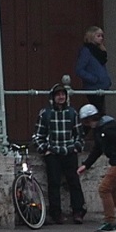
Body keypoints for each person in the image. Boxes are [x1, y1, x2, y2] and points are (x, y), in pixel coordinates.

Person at [76, 103, 116, 232]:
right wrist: (86, 165)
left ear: (93, 118)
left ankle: (110, 222)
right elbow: (97, 149)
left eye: (88, 121)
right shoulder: (99, 129)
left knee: (104, 189)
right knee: (113, 192)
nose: (88, 124)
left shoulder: (109, 127)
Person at [31, 82, 86, 224]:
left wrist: (76, 147)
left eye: (63, 95)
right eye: (58, 95)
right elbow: (37, 135)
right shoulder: (45, 114)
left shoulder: (72, 113)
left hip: (69, 151)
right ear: (53, 97)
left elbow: (80, 135)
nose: (61, 97)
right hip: (53, 153)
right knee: (53, 183)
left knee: (73, 181)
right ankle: (56, 213)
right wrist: (45, 149)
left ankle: (78, 211)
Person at [75, 25, 111, 114]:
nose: (101, 38)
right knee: (97, 112)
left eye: (102, 36)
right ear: (91, 36)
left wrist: (107, 80)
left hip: (102, 86)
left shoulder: (100, 51)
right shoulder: (87, 51)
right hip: (93, 86)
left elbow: (101, 68)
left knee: (98, 111)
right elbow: (79, 69)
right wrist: (93, 79)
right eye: (98, 36)